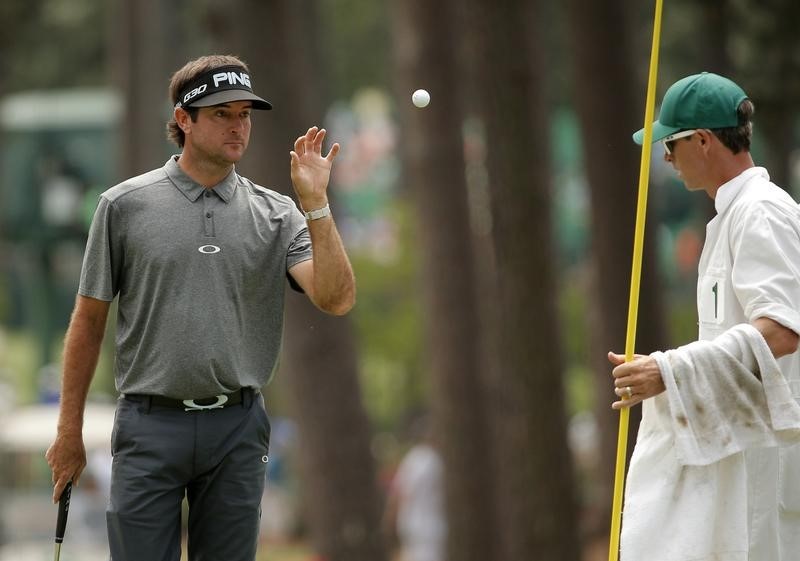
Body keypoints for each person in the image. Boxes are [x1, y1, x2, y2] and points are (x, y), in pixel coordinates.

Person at [45, 54, 355, 561]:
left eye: (244, 115)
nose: (238, 127)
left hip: (237, 427)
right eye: (221, 114)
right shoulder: (123, 207)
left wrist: (316, 204)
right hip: (149, 424)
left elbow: (336, 298)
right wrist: (68, 432)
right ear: (184, 120)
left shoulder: (277, 213)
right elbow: (89, 322)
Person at [609, 71, 800, 561]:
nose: (666, 158)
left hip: (775, 471)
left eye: (670, 144)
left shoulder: (760, 213)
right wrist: (670, 372)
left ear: (703, 140)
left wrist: (671, 371)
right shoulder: (732, 217)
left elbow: (782, 329)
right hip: (748, 465)